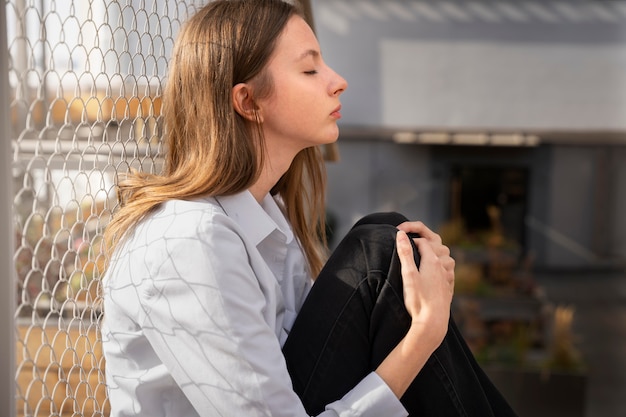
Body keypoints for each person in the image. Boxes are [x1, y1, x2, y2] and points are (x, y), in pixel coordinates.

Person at [101, 0, 517, 416]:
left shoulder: (266, 219)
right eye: (310, 69)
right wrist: (423, 335)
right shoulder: (189, 242)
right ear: (248, 102)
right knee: (381, 252)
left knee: (393, 243)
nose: (338, 82)